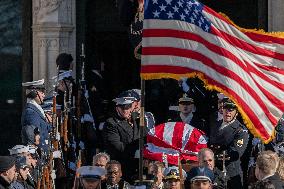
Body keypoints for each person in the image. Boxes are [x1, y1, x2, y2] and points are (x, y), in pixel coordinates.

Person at [209, 99, 249, 189]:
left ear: (236, 113)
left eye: (231, 110)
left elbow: (234, 153)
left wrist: (212, 157)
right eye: (226, 109)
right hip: (214, 171)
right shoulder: (216, 124)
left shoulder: (240, 130)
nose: (228, 112)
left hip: (230, 173)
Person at [102, 94, 139, 181]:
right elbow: (116, 147)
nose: (128, 110)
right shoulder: (111, 123)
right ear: (117, 108)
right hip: (122, 167)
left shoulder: (137, 120)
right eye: (125, 108)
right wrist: (137, 152)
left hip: (138, 166)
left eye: (130, 107)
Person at [21, 79, 51, 154]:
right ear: (34, 93)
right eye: (42, 92)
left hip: (44, 151)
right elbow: (33, 138)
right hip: (39, 153)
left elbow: (44, 130)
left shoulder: (37, 109)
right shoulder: (31, 112)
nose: (44, 95)